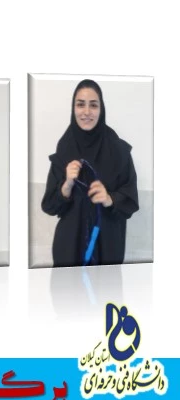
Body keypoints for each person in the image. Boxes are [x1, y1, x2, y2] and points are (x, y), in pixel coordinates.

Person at [41, 79, 140, 267]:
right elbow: (49, 206)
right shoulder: (64, 149)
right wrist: (66, 185)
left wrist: (110, 199)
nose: (86, 112)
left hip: (107, 249)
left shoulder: (119, 151)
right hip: (69, 250)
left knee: (106, 287)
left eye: (93, 105)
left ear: (101, 109)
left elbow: (131, 200)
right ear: (73, 109)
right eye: (80, 104)